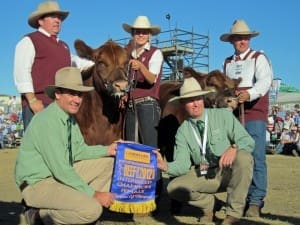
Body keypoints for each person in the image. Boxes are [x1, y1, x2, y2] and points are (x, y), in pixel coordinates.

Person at [15, 67, 117, 225]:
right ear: (57, 94)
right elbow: (61, 169)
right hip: (38, 184)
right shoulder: (47, 121)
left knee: (110, 163)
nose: (77, 100)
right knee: (92, 210)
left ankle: (78, 205)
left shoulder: (69, 119)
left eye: (80, 94)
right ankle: (37, 215)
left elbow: (79, 151)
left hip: (56, 177)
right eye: (72, 93)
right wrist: (94, 194)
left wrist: (109, 149)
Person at [154, 77, 254, 225]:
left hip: (227, 173)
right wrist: (165, 166)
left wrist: (234, 148)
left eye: (198, 98)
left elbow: (248, 141)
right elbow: (182, 164)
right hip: (204, 174)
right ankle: (211, 205)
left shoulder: (223, 116)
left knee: (244, 158)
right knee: (174, 188)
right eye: (190, 100)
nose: (195, 104)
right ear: (182, 104)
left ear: (203, 99)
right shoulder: (182, 132)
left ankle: (233, 215)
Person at [220, 19, 273, 217]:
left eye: (245, 38)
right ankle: (237, 200)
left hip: (254, 115)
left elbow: (265, 81)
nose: (242, 41)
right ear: (232, 41)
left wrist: (249, 94)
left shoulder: (259, 58)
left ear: (249, 39)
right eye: (238, 38)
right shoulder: (227, 63)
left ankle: (256, 201)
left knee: (256, 157)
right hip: (233, 116)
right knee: (235, 159)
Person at [13, 1, 93, 130]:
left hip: (60, 105)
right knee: (39, 145)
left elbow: (78, 62)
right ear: (40, 21)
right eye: (52, 16)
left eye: (59, 17)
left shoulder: (64, 46)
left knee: (59, 147)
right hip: (39, 102)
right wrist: (32, 100)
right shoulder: (29, 40)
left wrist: (102, 62)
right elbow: (21, 71)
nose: (57, 20)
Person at [122, 15, 164, 211]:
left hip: (148, 104)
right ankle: (135, 193)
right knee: (132, 149)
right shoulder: (127, 54)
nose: (140, 34)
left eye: (144, 32)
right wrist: (124, 94)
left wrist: (141, 67)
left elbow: (151, 80)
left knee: (150, 150)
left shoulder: (156, 53)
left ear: (149, 35)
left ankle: (154, 193)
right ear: (133, 34)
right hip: (131, 105)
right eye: (137, 31)